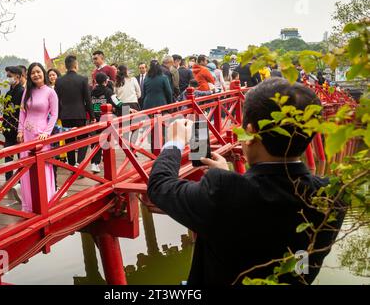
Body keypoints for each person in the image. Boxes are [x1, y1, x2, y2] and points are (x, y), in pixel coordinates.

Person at [147, 77, 345, 285]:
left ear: (250, 133)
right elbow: (270, 203)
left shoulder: (222, 190)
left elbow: (160, 185)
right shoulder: (332, 196)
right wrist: (228, 177)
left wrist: (175, 141)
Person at [17, 62, 58, 212]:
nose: (36, 75)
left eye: (38, 72)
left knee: (42, 166)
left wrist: (46, 133)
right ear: (29, 75)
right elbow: (22, 112)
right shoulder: (27, 90)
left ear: (44, 73)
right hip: (27, 134)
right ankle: (29, 204)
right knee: (27, 167)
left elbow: (54, 115)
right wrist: (20, 131)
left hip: (41, 134)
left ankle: (45, 200)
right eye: (33, 73)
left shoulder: (50, 92)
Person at [55, 55, 94, 167]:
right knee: (83, 139)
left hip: (65, 115)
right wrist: (92, 116)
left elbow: (57, 100)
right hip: (79, 114)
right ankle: (79, 162)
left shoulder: (59, 81)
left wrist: (57, 116)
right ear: (75, 65)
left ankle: (72, 164)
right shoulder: (82, 79)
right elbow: (88, 99)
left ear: (66, 66)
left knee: (69, 141)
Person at [90, 72, 123, 173]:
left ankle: (94, 163)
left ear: (96, 81)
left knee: (96, 141)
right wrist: (129, 109)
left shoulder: (92, 92)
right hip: (105, 119)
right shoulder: (108, 91)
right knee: (106, 139)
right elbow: (118, 103)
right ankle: (106, 161)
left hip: (94, 119)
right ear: (105, 81)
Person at [3, 66, 24, 192]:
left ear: (18, 76)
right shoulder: (8, 93)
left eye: (10, 76)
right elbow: (5, 112)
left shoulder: (22, 92)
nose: (8, 78)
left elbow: (23, 113)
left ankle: (22, 182)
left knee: (21, 158)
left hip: (18, 130)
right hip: (8, 131)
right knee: (8, 159)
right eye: (7, 76)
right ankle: (8, 182)